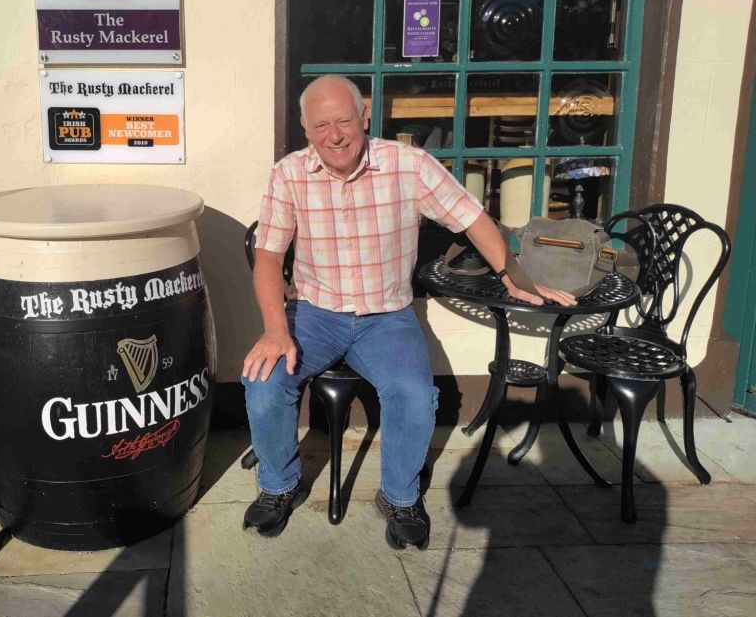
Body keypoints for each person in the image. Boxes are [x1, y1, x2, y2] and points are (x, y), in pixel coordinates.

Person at [241, 75, 576, 549]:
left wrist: (513, 276)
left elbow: (471, 217)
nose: (334, 136)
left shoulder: (409, 164)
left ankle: (399, 497)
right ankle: (281, 486)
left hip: (386, 317)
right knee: (264, 381)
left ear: (365, 118)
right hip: (316, 312)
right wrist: (276, 330)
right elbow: (269, 257)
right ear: (305, 128)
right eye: (320, 126)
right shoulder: (289, 174)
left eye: (343, 121)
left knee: (415, 395)